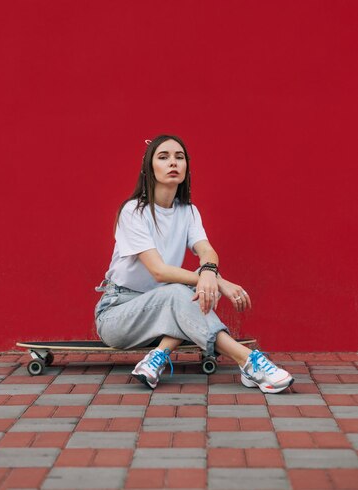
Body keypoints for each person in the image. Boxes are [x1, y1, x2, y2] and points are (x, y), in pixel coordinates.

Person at [95, 134, 293, 393]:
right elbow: (159, 271)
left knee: (191, 290)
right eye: (163, 157)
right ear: (149, 168)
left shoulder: (188, 212)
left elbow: (207, 250)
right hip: (118, 315)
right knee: (184, 289)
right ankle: (247, 360)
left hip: (162, 312)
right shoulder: (134, 211)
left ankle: (157, 357)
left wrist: (209, 273)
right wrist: (217, 282)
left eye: (179, 157)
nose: (172, 163)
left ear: (187, 166)